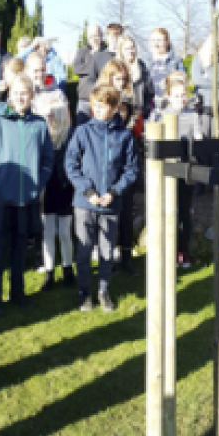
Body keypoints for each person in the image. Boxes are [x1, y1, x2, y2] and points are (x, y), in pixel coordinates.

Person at [0, 73, 53, 315]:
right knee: (0, 249)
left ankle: (18, 293)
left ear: (32, 96)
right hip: (2, 198)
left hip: (27, 199)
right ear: (10, 95)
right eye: (17, 94)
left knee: (21, 248)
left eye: (26, 94)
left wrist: (38, 184)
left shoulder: (40, 125)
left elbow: (47, 160)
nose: (21, 98)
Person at [65, 83, 140, 312]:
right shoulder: (82, 132)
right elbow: (71, 165)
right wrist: (87, 191)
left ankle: (104, 290)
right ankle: (84, 292)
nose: (98, 110)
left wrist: (114, 192)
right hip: (84, 202)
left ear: (115, 108)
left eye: (103, 106)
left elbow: (131, 170)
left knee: (107, 250)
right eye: (95, 105)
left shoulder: (124, 136)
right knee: (85, 248)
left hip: (111, 203)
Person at [151, 71, 207, 267]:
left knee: (184, 213)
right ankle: (167, 250)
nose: (181, 99)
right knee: (168, 212)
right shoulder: (161, 115)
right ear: (168, 96)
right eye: (177, 96)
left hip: (186, 171)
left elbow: (199, 139)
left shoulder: (192, 116)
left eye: (184, 95)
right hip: (167, 171)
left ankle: (183, 252)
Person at [96, 59, 143, 277]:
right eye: (116, 79)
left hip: (127, 158)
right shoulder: (101, 99)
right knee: (108, 213)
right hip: (106, 163)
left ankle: (126, 256)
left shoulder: (131, 101)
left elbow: (137, 126)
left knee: (126, 211)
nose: (120, 83)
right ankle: (109, 257)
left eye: (124, 79)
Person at [34, 93, 76, 290]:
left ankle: (68, 268)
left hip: (65, 189)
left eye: (53, 115)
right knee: (48, 232)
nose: (49, 118)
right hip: (47, 190)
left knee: (65, 232)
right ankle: (49, 271)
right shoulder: (42, 137)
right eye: (47, 115)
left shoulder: (70, 136)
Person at [191, 32, 219, 146]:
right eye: (217, 45)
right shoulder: (199, 59)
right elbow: (197, 80)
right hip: (204, 107)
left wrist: (207, 78)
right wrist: (218, 80)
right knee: (203, 141)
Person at [78, 24, 123, 124]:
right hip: (102, 103)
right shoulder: (99, 56)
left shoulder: (125, 57)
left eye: (118, 37)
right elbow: (90, 80)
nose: (115, 40)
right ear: (107, 37)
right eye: (112, 37)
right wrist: (99, 91)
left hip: (122, 105)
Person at [118, 35, 154, 127]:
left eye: (132, 47)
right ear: (121, 50)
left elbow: (149, 92)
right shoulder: (115, 67)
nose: (131, 51)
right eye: (127, 49)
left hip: (139, 115)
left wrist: (146, 110)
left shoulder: (141, 66)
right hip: (121, 116)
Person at [147, 29, 186, 111]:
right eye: (153, 40)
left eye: (159, 40)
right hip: (151, 104)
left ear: (167, 42)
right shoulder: (145, 61)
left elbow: (183, 81)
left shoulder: (176, 60)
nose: (156, 43)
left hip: (170, 104)